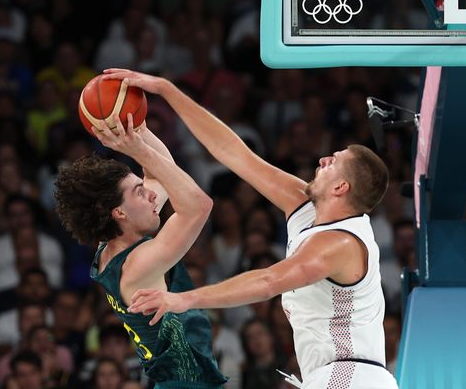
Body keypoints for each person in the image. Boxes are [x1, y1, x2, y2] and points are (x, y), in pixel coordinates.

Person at [103, 68, 398, 389]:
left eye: (335, 161)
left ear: (341, 187)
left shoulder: (339, 244)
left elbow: (269, 280)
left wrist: (182, 299)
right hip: (336, 375)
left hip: (351, 375)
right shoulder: (305, 206)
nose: (325, 158)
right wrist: (167, 90)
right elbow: (233, 152)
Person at [53, 114, 227, 388]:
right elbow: (199, 205)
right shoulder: (137, 265)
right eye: (139, 192)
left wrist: (137, 127)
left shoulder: (109, 244)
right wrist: (136, 148)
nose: (152, 194)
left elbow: (159, 171)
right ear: (119, 212)